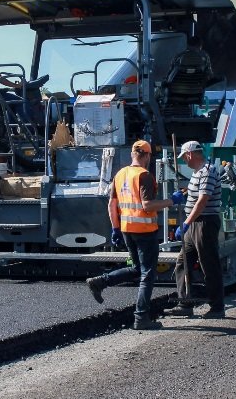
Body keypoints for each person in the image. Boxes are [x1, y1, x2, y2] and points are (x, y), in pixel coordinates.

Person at [85, 140, 185, 330]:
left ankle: (100, 282)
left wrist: (115, 228)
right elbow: (147, 205)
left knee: (138, 269)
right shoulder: (144, 175)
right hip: (145, 231)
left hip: (126, 229)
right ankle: (141, 317)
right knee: (148, 273)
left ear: (133, 154)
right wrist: (171, 200)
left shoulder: (120, 174)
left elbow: (111, 205)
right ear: (146, 156)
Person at [167, 140, 226, 319]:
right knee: (182, 262)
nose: (184, 161)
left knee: (209, 264)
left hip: (204, 223)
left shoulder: (207, 171)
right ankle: (185, 303)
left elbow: (203, 200)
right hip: (195, 223)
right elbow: (197, 196)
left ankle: (217, 307)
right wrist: (186, 193)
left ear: (191, 154)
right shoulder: (197, 173)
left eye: (185, 157)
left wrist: (186, 223)